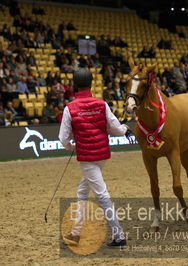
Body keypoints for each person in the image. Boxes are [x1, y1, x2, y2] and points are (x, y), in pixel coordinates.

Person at [59, 68, 130, 247]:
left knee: (102, 195)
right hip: (102, 155)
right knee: (82, 191)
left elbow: (63, 139)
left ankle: (119, 235)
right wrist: (125, 129)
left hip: (87, 158)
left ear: (75, 85)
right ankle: (75, 232)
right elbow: (114, 127)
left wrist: (72, 147)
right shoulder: (102, 104)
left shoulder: (70, 108)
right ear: (91, 84)